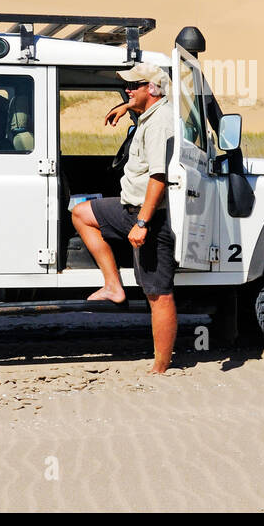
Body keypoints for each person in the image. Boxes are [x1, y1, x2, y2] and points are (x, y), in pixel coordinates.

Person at [71, 62, 178, 373]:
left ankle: (161, 365)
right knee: (81, 213)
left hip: (148, 215)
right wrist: (125, 106)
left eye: (135, 85)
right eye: (127, 86)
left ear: (153, 89)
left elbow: (159, 177)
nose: (128, 90)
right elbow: (142, 103)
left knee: (158, 293)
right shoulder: (150, 115)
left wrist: (142, 223)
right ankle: (113, 286)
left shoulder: (160, 124)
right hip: (127, 206)